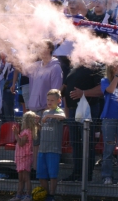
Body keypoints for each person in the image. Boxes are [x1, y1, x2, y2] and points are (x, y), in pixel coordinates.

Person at [62, 63, 104, 182]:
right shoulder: (72, 67)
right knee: (75, 143)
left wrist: (83, 93)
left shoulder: (95, 67)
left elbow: (101, 89)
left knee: (87, 143)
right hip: (72, 110)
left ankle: (86, 175)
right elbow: (65, 88)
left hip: (88, 109)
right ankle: (76, 173)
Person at [27, 39, 63, 171]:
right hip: (34, 109)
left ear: (49, 49)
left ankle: (42, 172)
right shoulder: (35, 66)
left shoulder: (56, 67)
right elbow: (31, 87)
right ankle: (36, 170)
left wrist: (49, 111)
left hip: (45, 111)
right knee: (35, 142)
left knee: (45, 143)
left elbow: (56, 90)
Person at [100, 63, 118, 185]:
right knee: (109, 149)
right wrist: (117, 75)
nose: (116, 67)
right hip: (108, 119)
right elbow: (110, 90)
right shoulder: (105, 80)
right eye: (114, 65)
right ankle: (107, 176)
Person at [37, 89, 65, 201]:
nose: (49, 102)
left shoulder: (59, 111)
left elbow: (63, 117)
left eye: (52, 100)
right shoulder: (44, 112)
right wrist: (37, 124)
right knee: (41, 175)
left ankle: (52, 195)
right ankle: (45, 194)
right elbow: (43, 129)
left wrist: (49, 116)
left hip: (53, 149)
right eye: (48, 99)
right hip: (42, 148)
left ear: (59, 100)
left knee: (53, 174)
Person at [10, 111, 38, 201]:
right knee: (20, 178)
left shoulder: (27, 132)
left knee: (26, 177)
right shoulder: (25, 131)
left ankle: (28, 195)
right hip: (20, 157)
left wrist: (15, 134)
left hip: (25, 156)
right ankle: (19, 195)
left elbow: (21, 143)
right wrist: (17, 133)